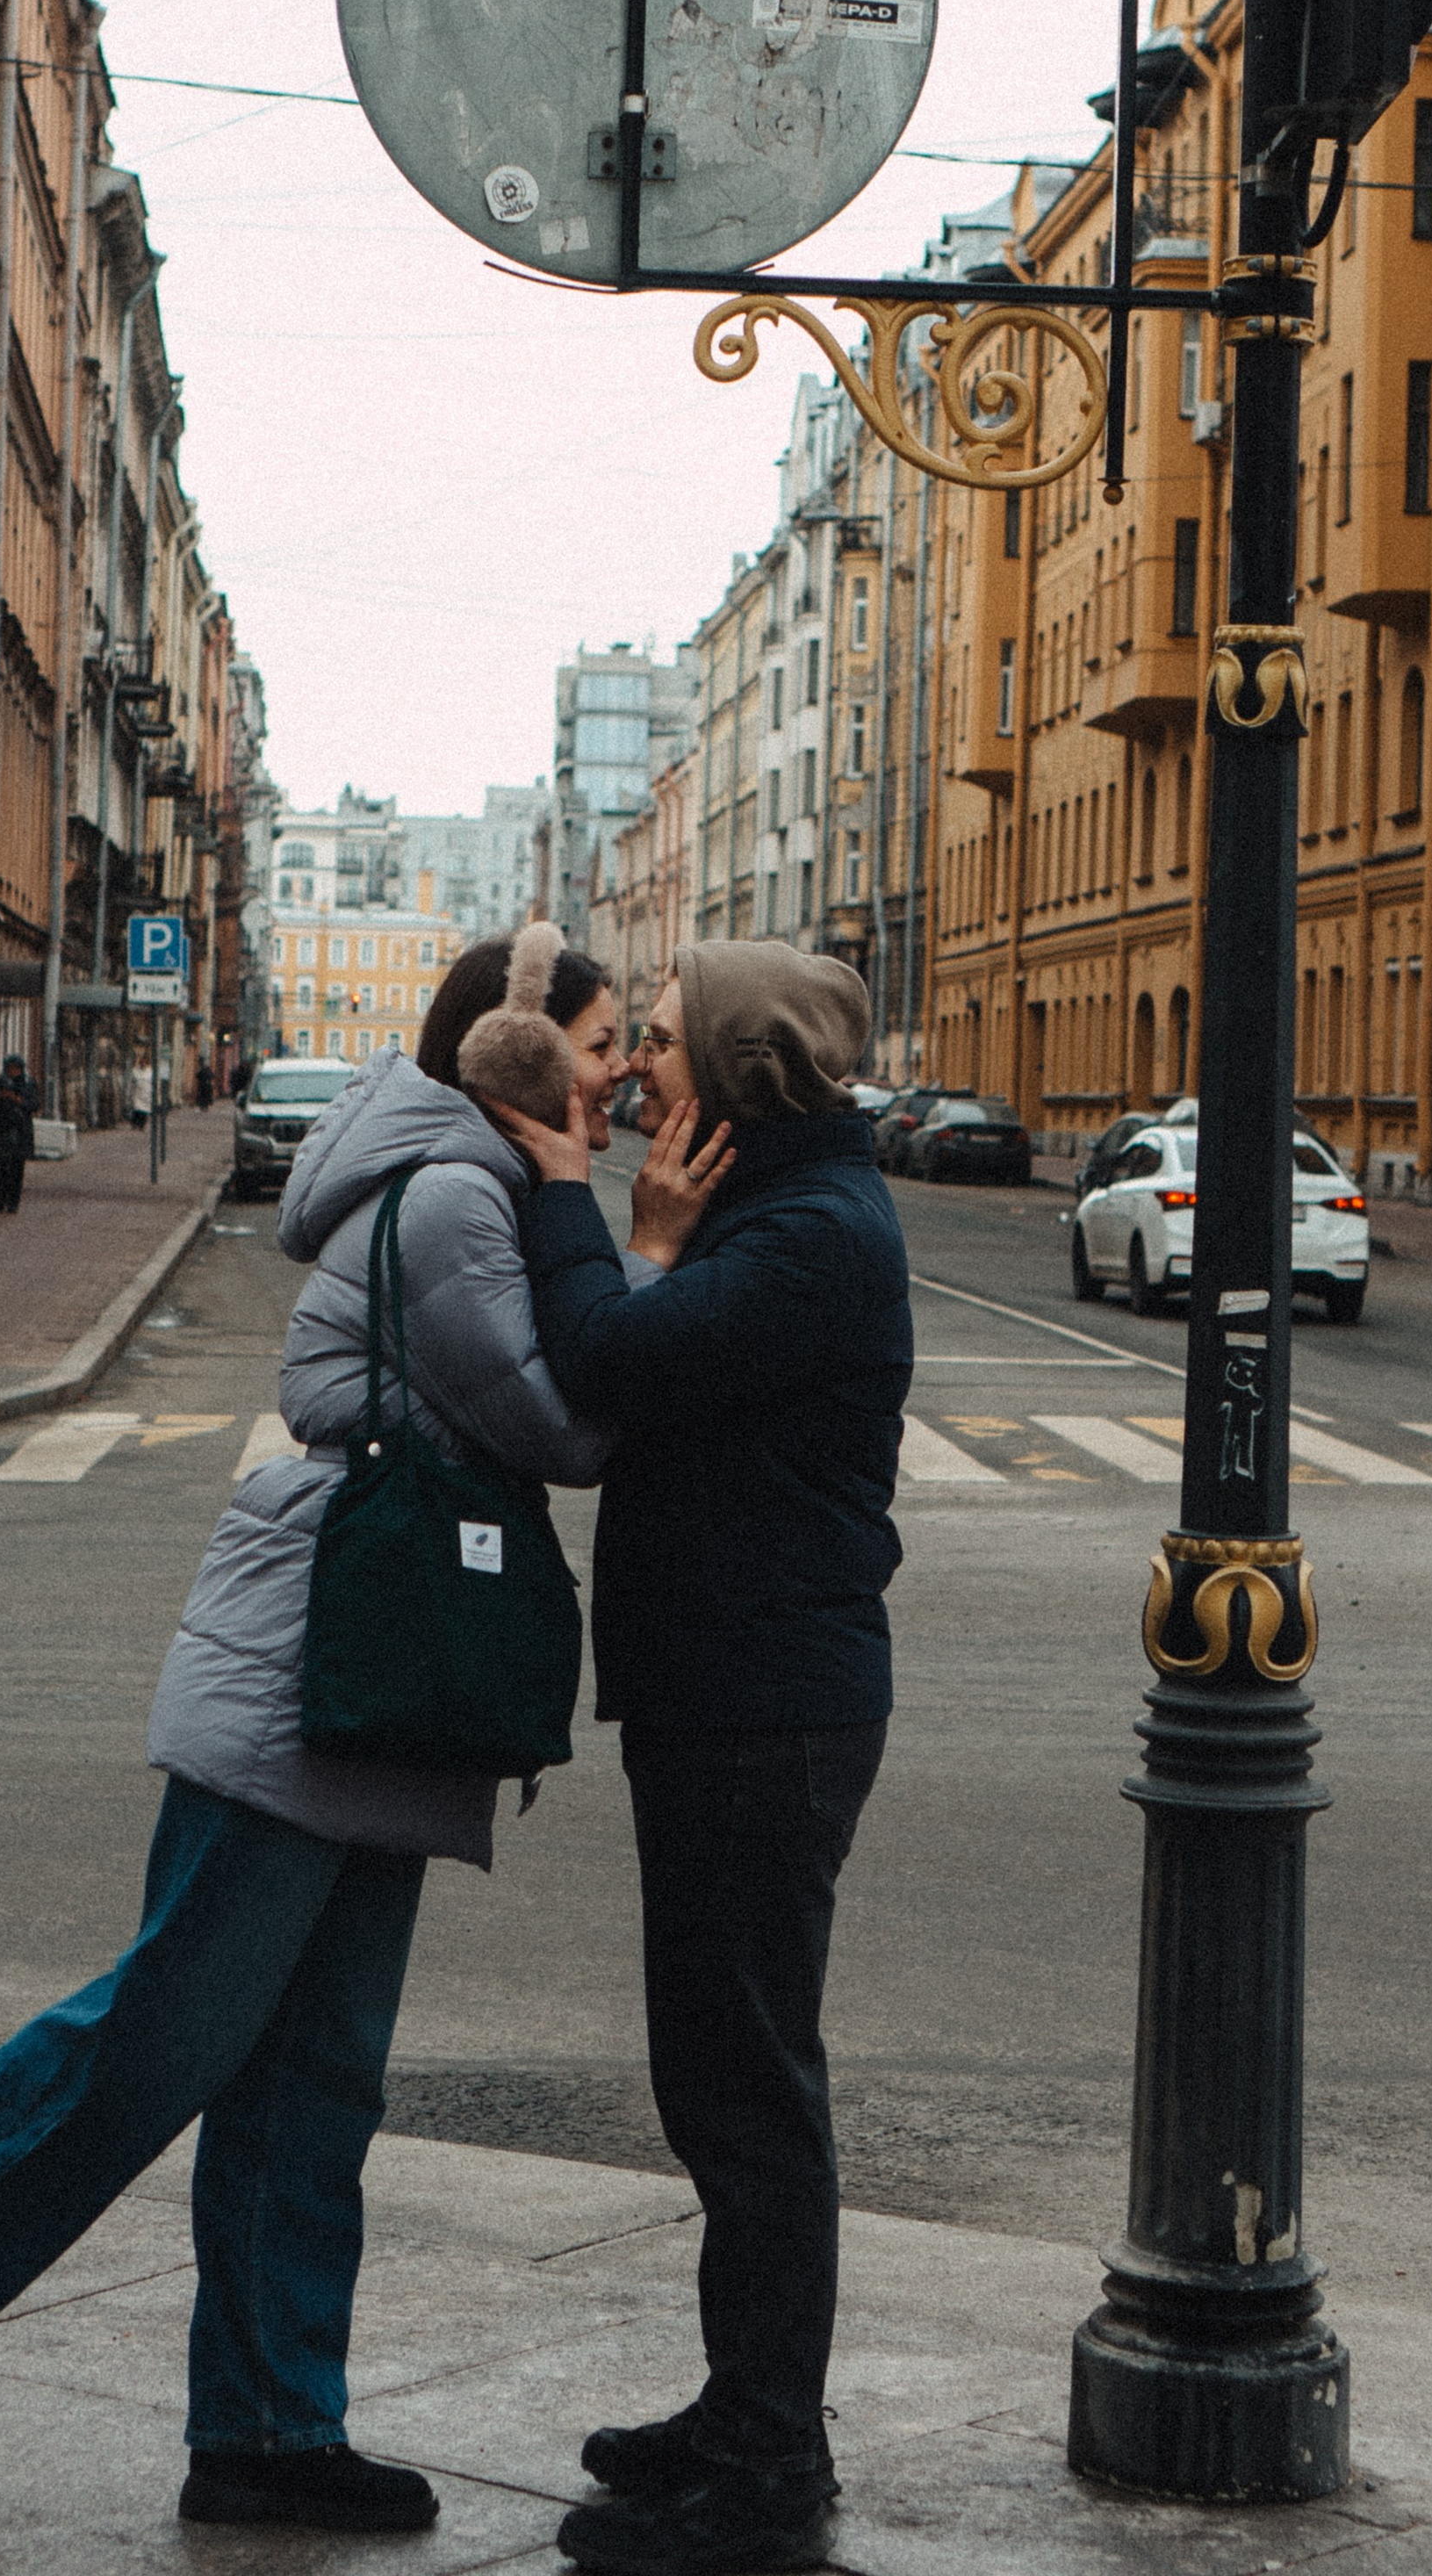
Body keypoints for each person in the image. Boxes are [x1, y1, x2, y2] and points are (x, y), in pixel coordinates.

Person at [0, 930, 633, 2533]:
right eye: (598, 1040)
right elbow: (562, 1424)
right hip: (322, 1672)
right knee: (175, 2024)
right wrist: (608, 1224)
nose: (622, 1067)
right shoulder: (457, 1198)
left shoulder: (476, 1190)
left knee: (314, 2078)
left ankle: (268, 2428)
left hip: (385, 1683)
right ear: (516, 1054)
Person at [493, 943, 910, 2576]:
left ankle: (768, 2457)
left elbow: (609, 1360)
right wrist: (662, 1239)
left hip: (767, 1707)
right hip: (729, 1695)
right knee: (721, 2079)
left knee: (748, 2093)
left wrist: (602, 1219)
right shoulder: (780, 1211)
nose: (637, 1070)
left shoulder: (809, 1236)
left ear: (742, 1069)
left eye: (660, 1043)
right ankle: (739, 2412)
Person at [0, 1054, 38, 1215]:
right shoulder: (0, 1082)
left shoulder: (29, 1083)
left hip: (21, 1130)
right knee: (0, 1165)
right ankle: (0, 1198)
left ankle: (13, 1201)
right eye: (9, 1069)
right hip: (3, 1129)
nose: (11, 1072)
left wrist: (18, 1100)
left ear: (20, 1069)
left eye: (14, 1069)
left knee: (17, 1167)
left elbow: (35, 1104)